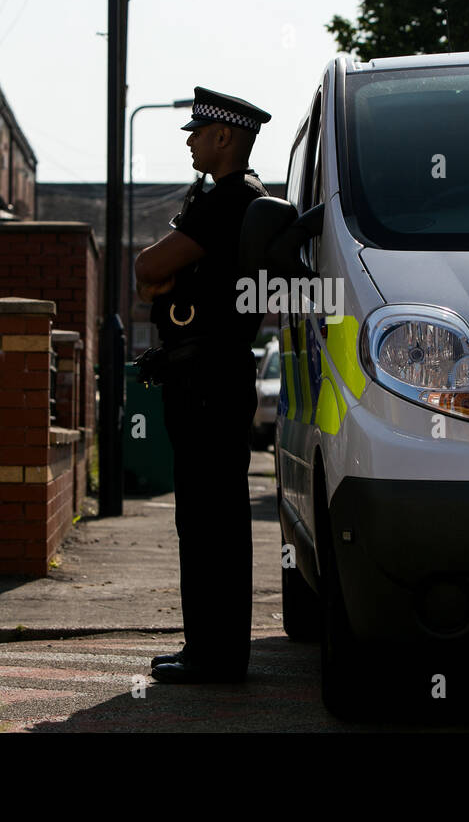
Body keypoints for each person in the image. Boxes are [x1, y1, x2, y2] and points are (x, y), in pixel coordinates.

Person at [135, 87, 271, 683]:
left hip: (208, 374)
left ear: (225, 137)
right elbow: (153, 278)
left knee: (209, 516)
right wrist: (163, 280)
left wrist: (164, 280)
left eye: (198, 131)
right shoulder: (227, 199)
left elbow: (145, 268)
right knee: (206, 514)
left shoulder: (230, 199)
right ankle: (210, 650)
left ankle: (215, 656)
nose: (190, 139)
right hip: (205, 370)